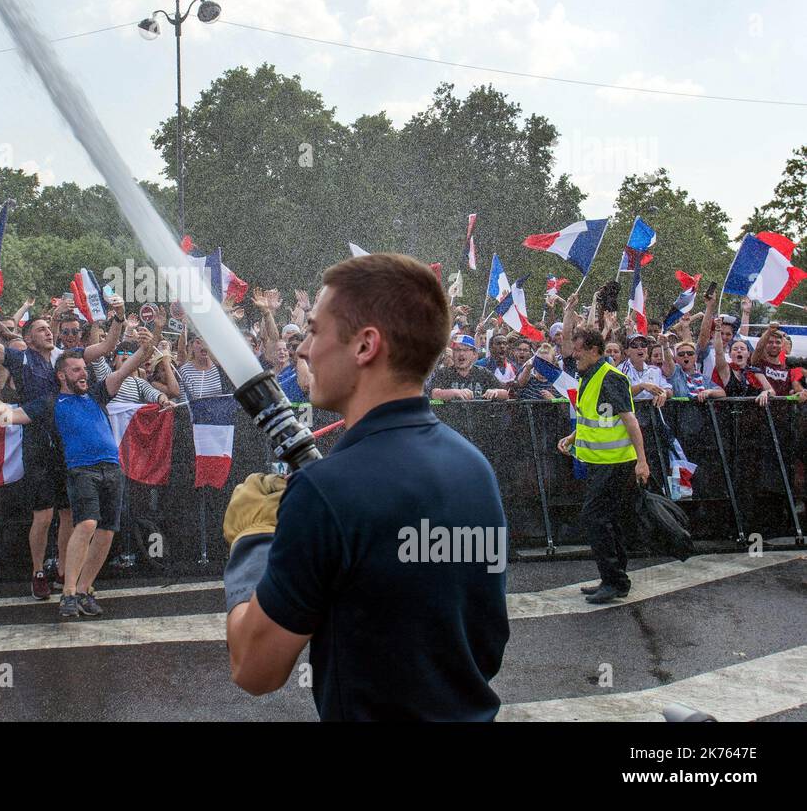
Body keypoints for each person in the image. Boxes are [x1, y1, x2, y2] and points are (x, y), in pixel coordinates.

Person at [221, 253, 509, 720]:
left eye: (315, 331)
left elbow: (254, 667)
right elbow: (485, 643)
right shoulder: (475, 467)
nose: (303, 350)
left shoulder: (324, 492)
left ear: (365, 346)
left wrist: (253, 540)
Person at [0, 327, 160, 619]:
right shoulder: (50, 403)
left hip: (113, 470)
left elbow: (129, 366)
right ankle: (68, 593)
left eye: (84, 369)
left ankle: (84, 589)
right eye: (76, 370)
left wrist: (151, 338)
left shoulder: (98, 393)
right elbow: (8, 416)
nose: (84, 374)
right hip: (82, 472)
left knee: (106, 532)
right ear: (62, 375)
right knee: (87, 525)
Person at [0, 282, 124, 599]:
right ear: (27, 338)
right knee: (44, 514)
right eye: (40, 330)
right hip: (37, 440)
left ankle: (65, 570)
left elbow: (106, 347)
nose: (48, 333)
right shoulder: (20, 359)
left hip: (68, 446)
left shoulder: (69, 356)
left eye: (47, 329)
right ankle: (38, 569)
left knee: (70, 515)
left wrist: (118, 317)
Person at [557, 327, 650, 604]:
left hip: (616, 464)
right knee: (609, 520)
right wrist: (573, 437)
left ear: (594, 351)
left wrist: (642, 462)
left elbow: (629, 420)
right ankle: (616, 579)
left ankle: (613, 580)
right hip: (600, 463)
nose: (574, 356)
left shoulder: (610, 377)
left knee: (594, 517)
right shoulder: (591, 375)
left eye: (579, 350)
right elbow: (595, 417)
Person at [427, 335, 508, 401]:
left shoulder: (483, 373)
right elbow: (434, 394)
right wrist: (454, 392)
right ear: (452, 353)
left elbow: (505, 394)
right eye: (457, 350)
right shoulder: (443, 373)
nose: (461, 353)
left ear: (474, 354)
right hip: (450, 419)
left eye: (465, 350)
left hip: (478, 419)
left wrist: (496, 392)